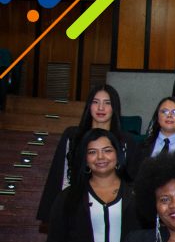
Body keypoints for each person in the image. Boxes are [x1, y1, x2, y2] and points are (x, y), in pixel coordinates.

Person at [38, 84, 138, 222]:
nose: (101, 108)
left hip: (114, 210)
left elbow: (131, 181)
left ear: (114, 108)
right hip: (76, 208)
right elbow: (63, 178)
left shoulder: (126, 141)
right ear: (89, 106)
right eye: (95, 102)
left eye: (107, 103)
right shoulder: (73, 136)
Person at [128, 96, 175, 177]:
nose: (169, 115)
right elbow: (131, 177)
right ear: (157, 118)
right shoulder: (141, 146)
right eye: (164, 111)